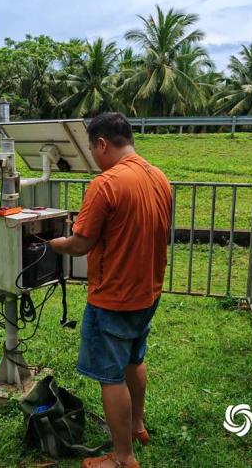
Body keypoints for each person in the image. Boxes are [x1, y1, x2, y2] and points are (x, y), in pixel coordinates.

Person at [48, 112, 172, 468]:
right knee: (135, 359)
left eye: (91, 149)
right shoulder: (160, 178)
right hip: (148, 291)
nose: (93, 157)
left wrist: (51, 242)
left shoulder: (106, 184)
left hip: (113, 297)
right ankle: (136, 427)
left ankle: (122, 458)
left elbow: (80, 243)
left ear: (101, 143)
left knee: (110, 376)